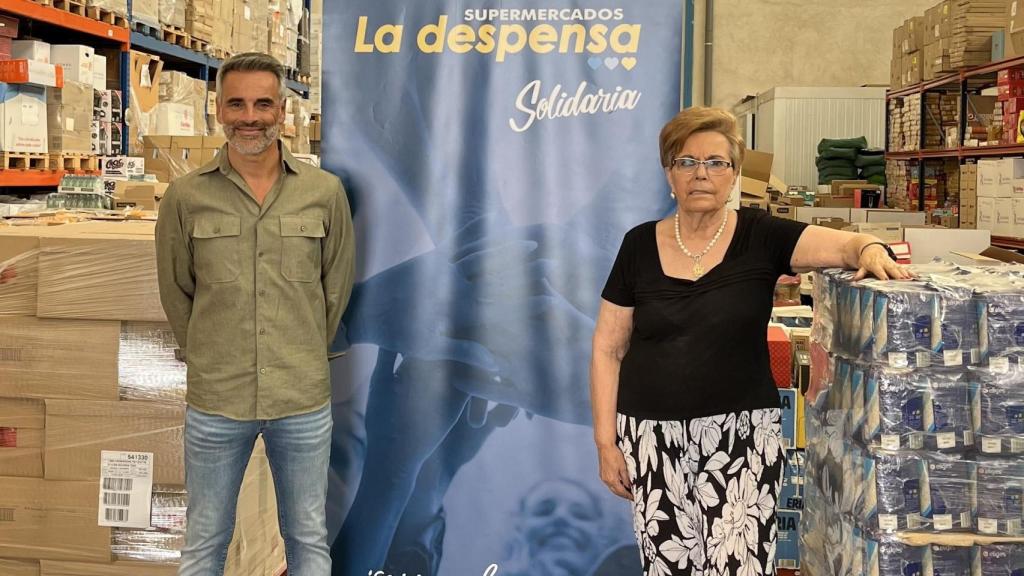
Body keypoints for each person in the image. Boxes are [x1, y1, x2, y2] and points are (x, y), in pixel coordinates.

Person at [590, 106, 909, 576]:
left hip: (741, 440)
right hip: (651, 440)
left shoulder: (762, 235)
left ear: (735, 173)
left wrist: (870, 248)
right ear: (669, 174)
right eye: (686, 161)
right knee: (667, 568)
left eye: (716, 162)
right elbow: (608, 348)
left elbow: (846, 245)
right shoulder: (638, 244)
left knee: (739, 567)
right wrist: (606, 443)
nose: (701, 173)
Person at [155, 52, 355, 576]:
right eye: (237, 104)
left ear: (282, 112)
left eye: (263, 104)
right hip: (217, 399)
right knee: (204, 541)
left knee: (308, 539)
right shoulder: (185, 197)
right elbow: (177, 290)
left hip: (301, 397)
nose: (250, 117)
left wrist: (302, 350)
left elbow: (336, 288)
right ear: (218, 109)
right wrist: (208, 353)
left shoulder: (324, 193)